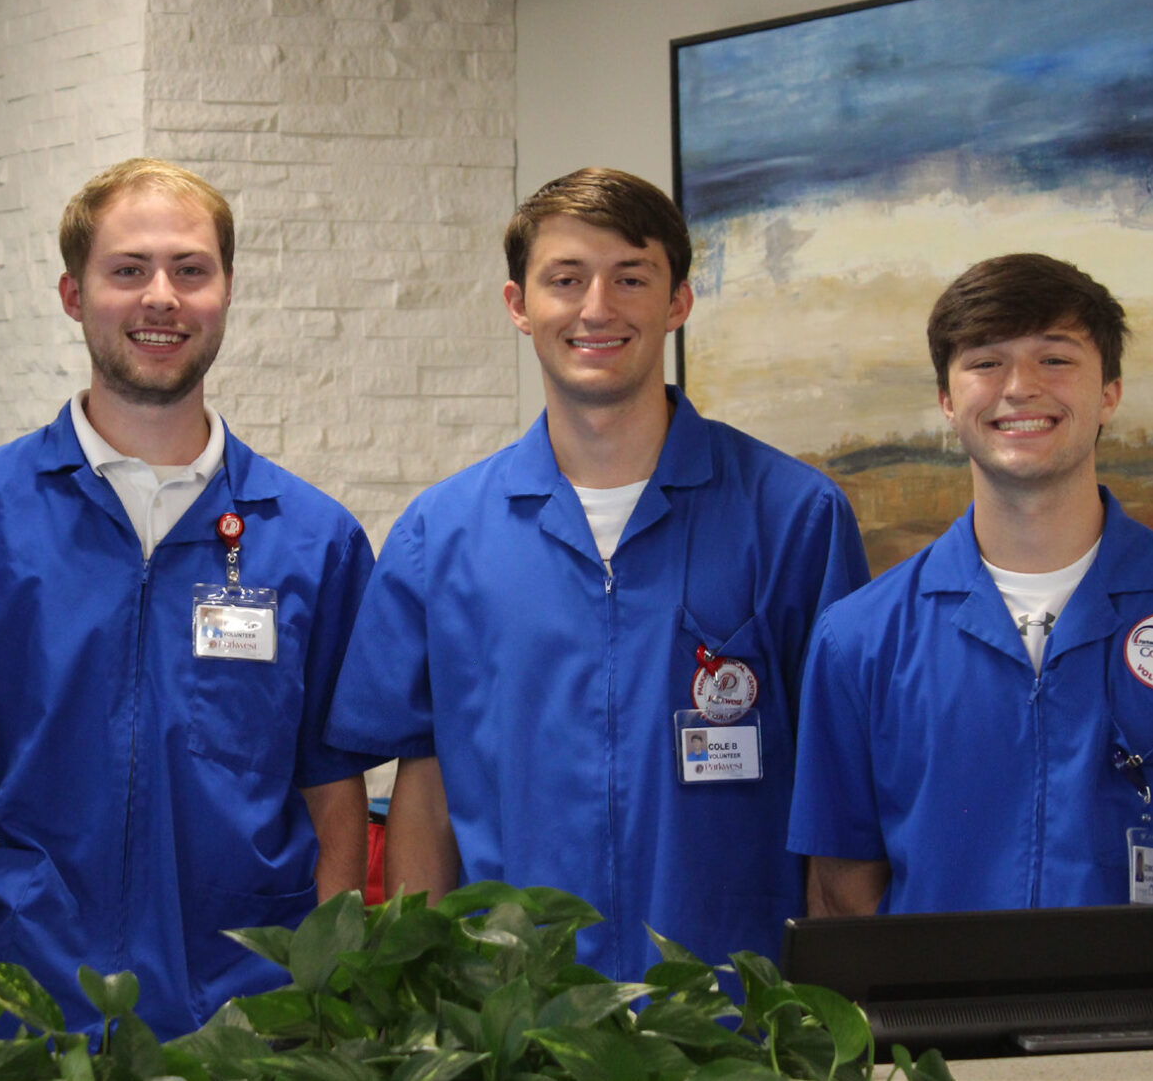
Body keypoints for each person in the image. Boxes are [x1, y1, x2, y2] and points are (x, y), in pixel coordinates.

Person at [325, 167, 869, 978]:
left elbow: (839, 797)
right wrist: (423, 1007)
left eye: (631, 278)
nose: (597, 309)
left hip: (733, 1022)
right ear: (518, 306)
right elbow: (425, 788)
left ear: (678, 301)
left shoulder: (794, 519)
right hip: (515, 1022)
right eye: (566, 280)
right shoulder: (440, 536)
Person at [0, 158, 374, 1037]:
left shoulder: (315, 539)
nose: (160, 297)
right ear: (72, 293)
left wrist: (326, 994)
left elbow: (335, 793)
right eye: (128, 270)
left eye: (190, 270)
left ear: (227, 290)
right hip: (20, 1008)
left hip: (243, 1014)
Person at [788, 253, 1153, 914]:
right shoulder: (857, 640)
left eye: (1056, 358)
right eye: (986, 361)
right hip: (943, 1018)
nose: (1020, 387)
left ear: (1109, 394)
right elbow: (843, 893)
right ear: (948, 403)